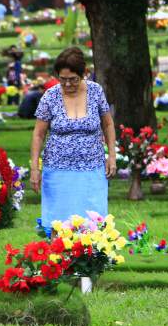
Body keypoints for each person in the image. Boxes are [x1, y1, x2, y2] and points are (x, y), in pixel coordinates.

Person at [30, 47, 116, 235]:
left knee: (92, 221)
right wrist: (35, 168)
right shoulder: (50, 96)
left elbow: (108, 125)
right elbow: (38, 134)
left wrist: (112, 156)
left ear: (84, 74)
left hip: (92, 168)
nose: (67, 84)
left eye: (73, 80)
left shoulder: (95, 91)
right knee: (59, 224)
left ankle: (92, 258)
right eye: (63, 79)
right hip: (58, 171)